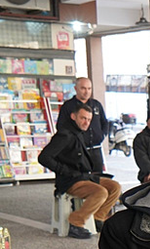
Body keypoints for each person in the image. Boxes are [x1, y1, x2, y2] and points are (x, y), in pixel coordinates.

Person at [39, 102, 122, 239]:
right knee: (100, 192)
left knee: (114, 187)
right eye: (83, 118)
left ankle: (97, 218)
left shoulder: (79, 134)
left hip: (83, 177)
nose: (86, 122)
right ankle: (76, 222)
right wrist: (64, 170)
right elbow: (44, 157)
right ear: (73, 116)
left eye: (89, 119)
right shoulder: (64, 135)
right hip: (70, 180)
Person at [57, 77, 109, 171]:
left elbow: (105, 122)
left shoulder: (96, 105)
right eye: (83, 88)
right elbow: (61, 127)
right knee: (81, 180)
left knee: (98, 179)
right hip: (78, 151)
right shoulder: (68, 106)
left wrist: (102, 135)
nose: (87, 92)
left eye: (89, 89)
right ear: (76, 88)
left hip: (96, 150)